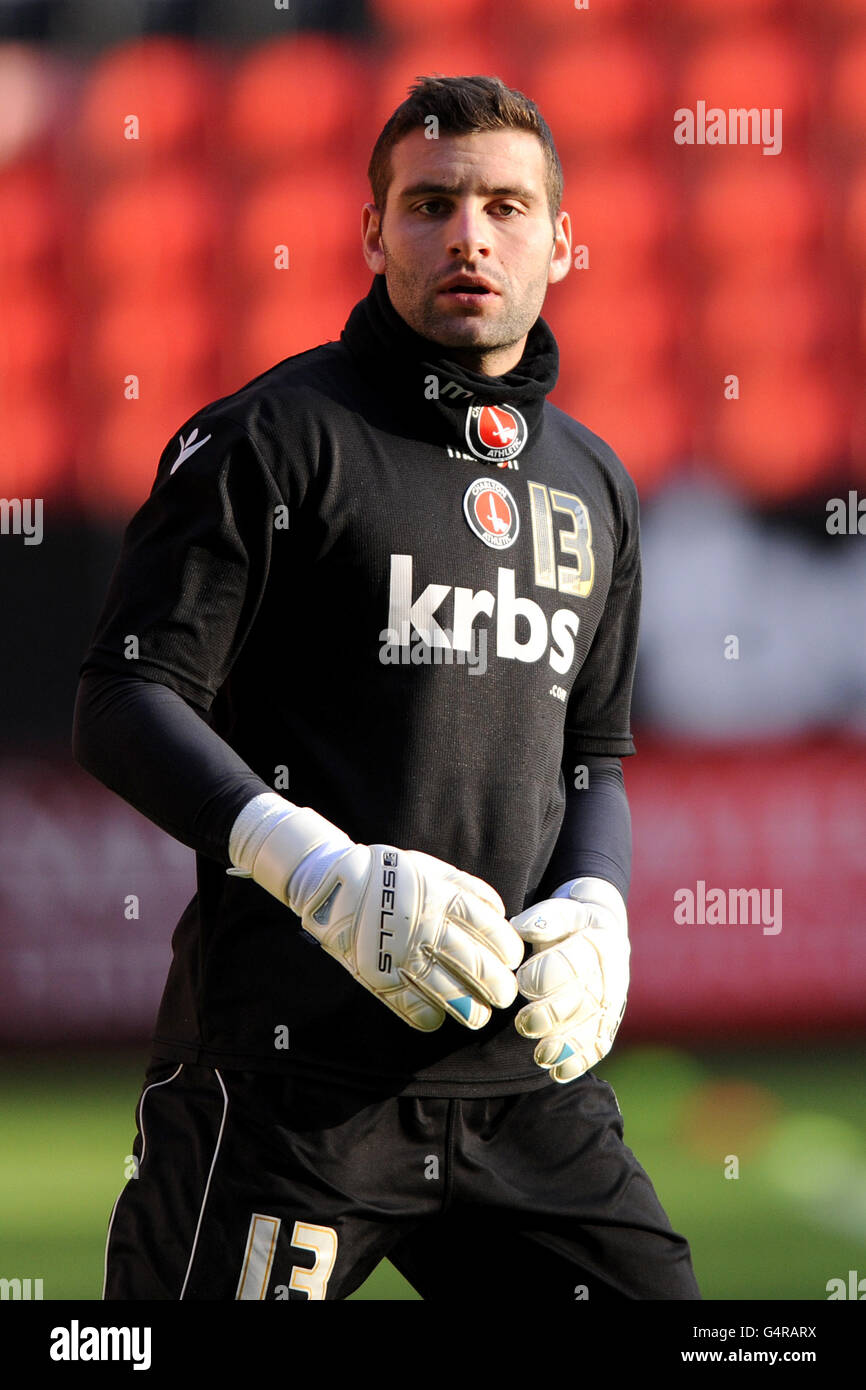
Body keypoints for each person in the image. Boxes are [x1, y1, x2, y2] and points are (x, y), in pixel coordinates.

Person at [73, 74, 700, 1302]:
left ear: (563, 241)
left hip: (524, 1086)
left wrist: (599, 904)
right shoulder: (269, 437)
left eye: (506, 206)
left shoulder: (593, 483)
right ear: (372, 233)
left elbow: (594, 756)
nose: (469, 235)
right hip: (283, 1084)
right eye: (430, 204)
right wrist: (320, 870)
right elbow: (124, 699)